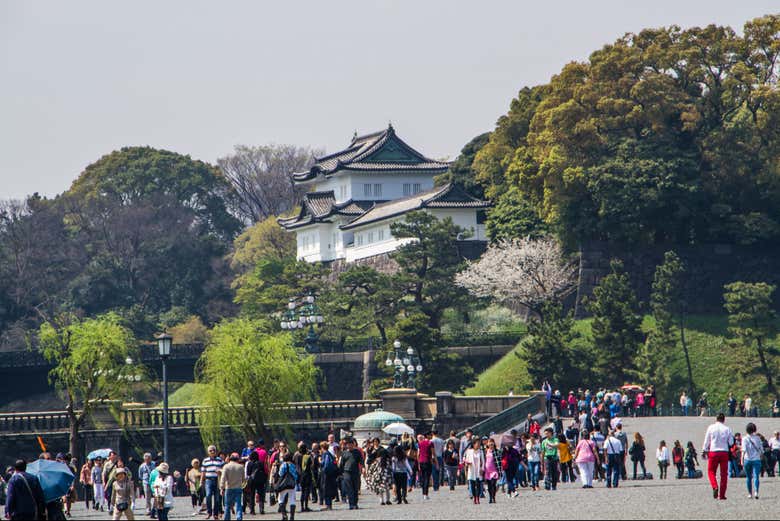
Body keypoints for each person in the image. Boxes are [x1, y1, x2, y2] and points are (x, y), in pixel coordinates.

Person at [703, 413, 734, 500]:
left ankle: (715, 486)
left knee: (711, 471)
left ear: (716, 419)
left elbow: (707, 440)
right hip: (724, 452)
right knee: (724, 474)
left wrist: (704, 450)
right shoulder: (727, 429)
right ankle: (722, 495)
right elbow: (731, 442)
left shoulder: (711, 427)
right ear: (724, 420)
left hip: (713, 451)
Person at [365, 438, 392, 506]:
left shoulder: (382, 449)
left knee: (385, 484)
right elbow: (369, 459)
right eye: (374, 441)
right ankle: (381, 500)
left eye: (376, 441)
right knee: (378, 484)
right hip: (375, 468)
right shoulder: (371, 450)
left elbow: (388, 457)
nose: (375, 443)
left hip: (383, 467)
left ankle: (387, 499)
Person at [200, 445, 224, 520]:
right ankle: (209, 512)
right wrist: (201, 481)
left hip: (217, 480)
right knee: (208, 495)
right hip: (208, 480)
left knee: (217, 498)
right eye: (210, 450)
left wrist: (220, 471)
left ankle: (216, 514)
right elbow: (203, 472)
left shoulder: (220, 460)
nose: (212, 452)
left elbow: (224, 470)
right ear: (208, 452)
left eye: (213, 450)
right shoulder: (205, 460)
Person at [339, 438, 363, 510]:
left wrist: (363, 469)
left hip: (355, 472)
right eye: (348, 444)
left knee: (355, 488)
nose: (349, 445)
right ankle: (351, 504)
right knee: (349, 489)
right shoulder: (344, 453)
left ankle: (355, 503)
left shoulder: (357, 452)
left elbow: (361, 461)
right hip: (347, 472)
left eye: (351, 444)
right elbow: (342, 464)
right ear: (346, 445)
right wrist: (341, 473)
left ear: (353, 444)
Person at [220, 453, 244, 521]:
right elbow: (243, 479)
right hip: (238, 487)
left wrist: (221, 488)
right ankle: (239, 518)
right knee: (238, 504)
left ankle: (227, 518)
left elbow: (223, 478)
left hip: (229, 488)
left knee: (227, 505)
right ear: (237, 459)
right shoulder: (240, 467)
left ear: (230, 459)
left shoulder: (226, 467)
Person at [742, 423, 762, 499]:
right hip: (756, 459)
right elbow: (761, 449)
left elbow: (743, 450)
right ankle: (756, 492)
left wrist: (741, 459)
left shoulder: (744, 438)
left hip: (747, 459)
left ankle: (750, 493)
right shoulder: (758, 438)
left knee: (748, 477)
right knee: (756, 476)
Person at [275, 452, 297, 521]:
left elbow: (280, 473)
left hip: (284, 484)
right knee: (292, 499)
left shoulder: (283, 465)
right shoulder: (293, 465)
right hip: (292, 484)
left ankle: (284, 515)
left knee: (280, 499)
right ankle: (292, 517)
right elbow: (295, 475)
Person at [463, 438, 485, 505]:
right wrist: (467, 463)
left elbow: (483, 461)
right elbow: (465, 459)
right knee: (472, 485)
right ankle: (474, 497)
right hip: (471, 470)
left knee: (478, 485)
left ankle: (478, 498)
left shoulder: (480, 451)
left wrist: (482, 469)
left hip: (478, 470)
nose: (478, 445)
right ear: (473, 444)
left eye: (479, 443)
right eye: (477, 443)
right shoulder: (469, 451)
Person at [417, 432, 437, 500]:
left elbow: (418, 454)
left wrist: (418, 463)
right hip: (428, 461)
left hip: (421, 461)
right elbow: (433, 453)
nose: (431, 436)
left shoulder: (420, 443)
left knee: (422, 478)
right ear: (427, 436)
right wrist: (436, 463)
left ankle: (423, 493)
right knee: (427, 478)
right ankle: (426, 494)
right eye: (430, 435)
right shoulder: (430, 443)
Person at [484, 438, 501, 503]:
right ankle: (490, 497)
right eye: (489, 442)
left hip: (494, 471)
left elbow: (499, 461)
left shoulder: (496, 451)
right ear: (487, 444)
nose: (491, 443)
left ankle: (493, 497)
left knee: (493, 484)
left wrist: (500, 471)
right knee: (489, 486)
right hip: (487, 471)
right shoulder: (485, 451)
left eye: (492, 442)